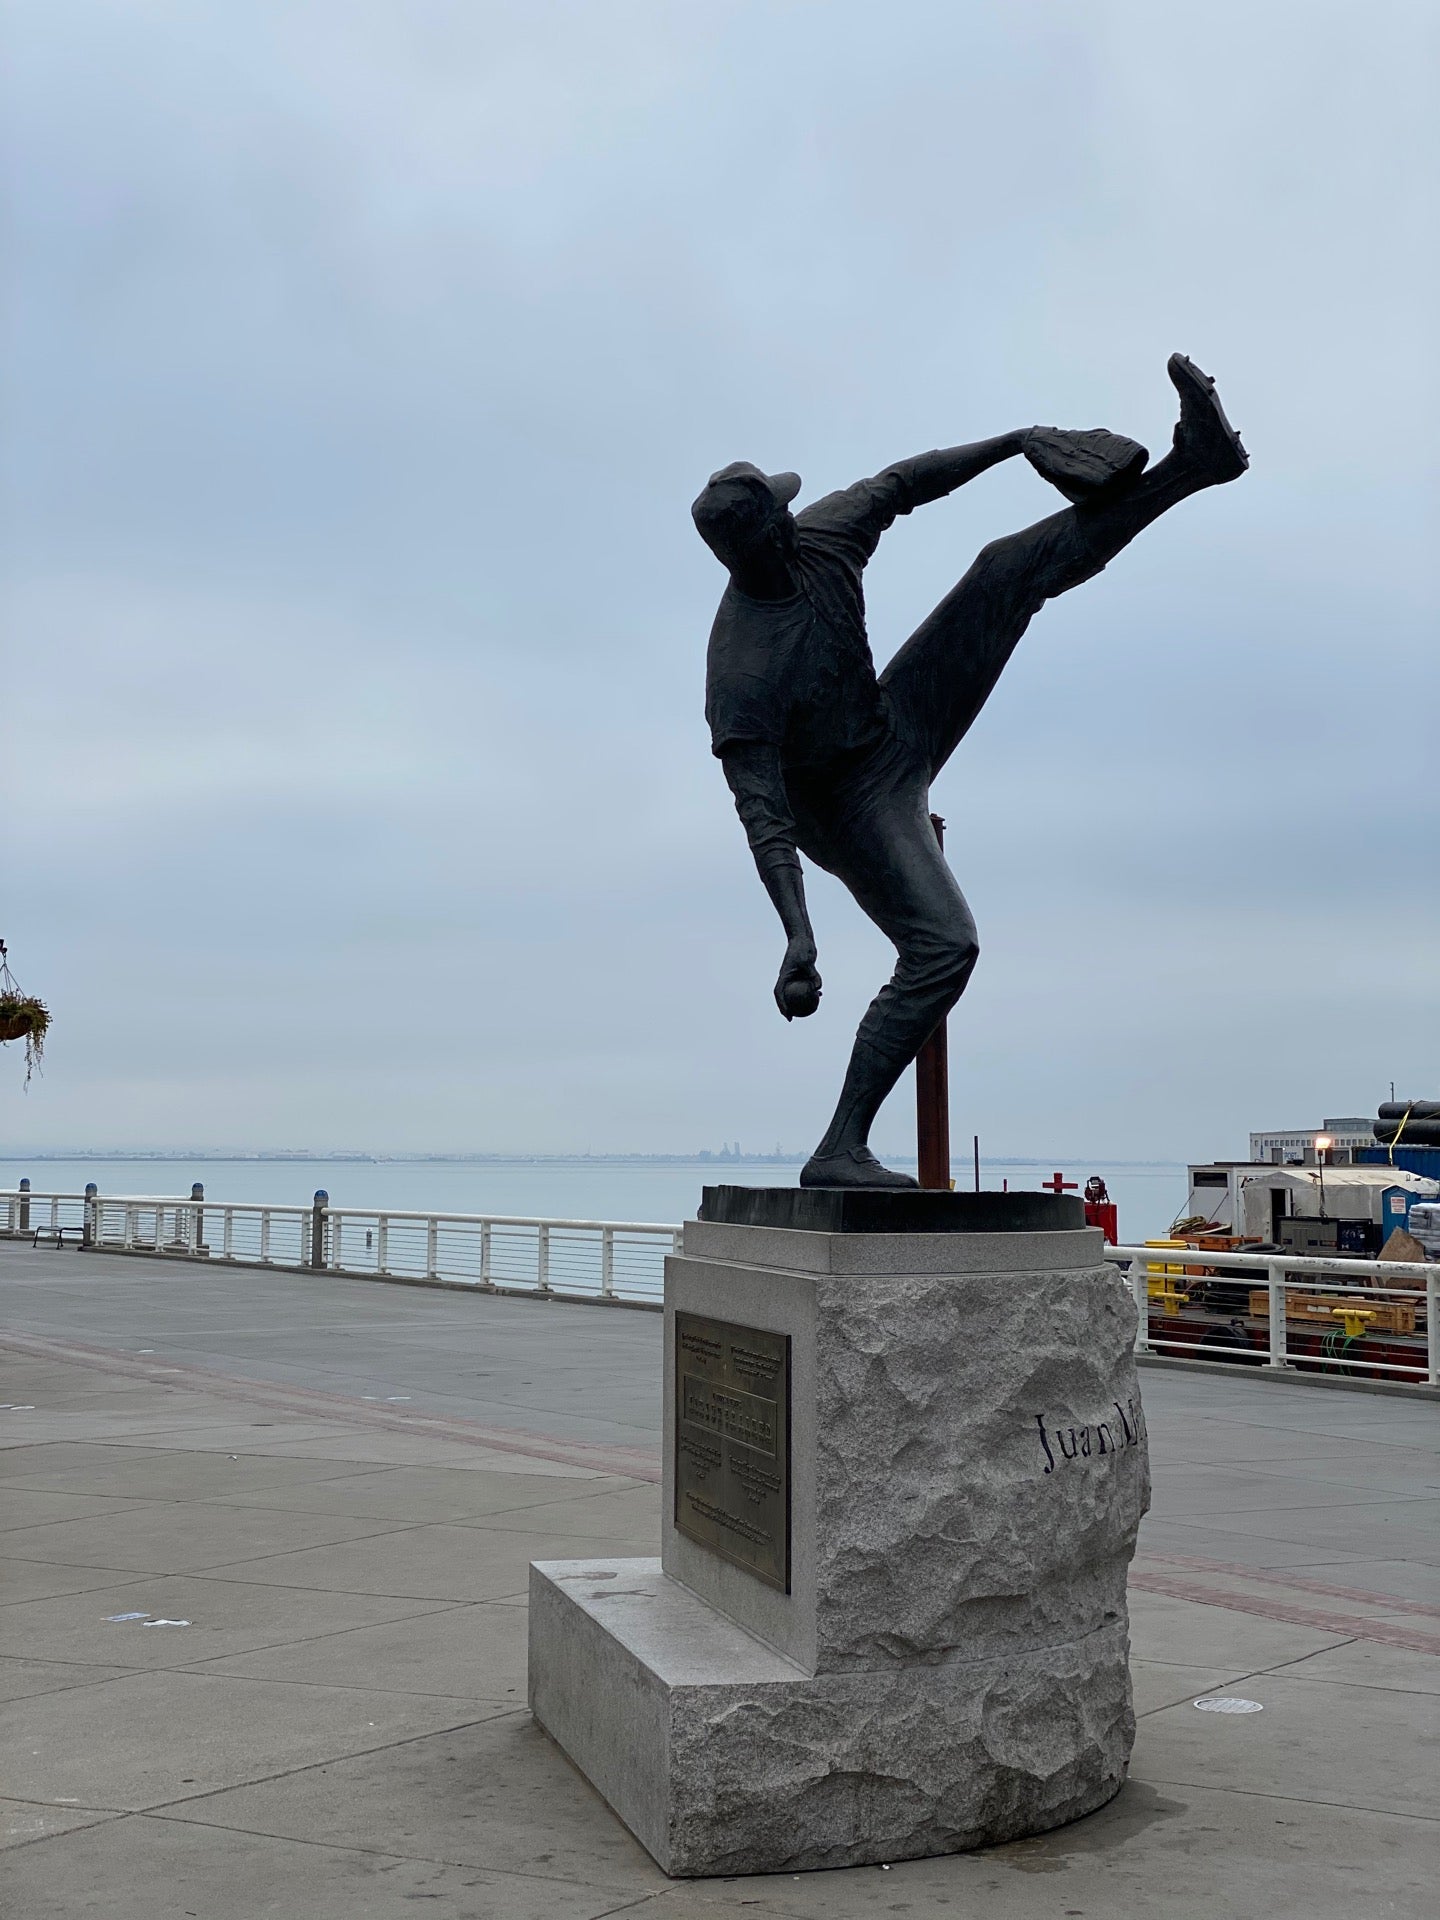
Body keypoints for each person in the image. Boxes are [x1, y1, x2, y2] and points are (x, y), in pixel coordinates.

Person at [693, 354, 1247, 1189]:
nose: (796, 511)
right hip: (841, 805)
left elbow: (905, 482)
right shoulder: (743, 672)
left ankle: (1195, 468)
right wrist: (798, 936)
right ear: (763, 534)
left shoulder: (824, 535)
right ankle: (840, 1147)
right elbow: (763, 816)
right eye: (783, 507)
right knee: (943, 947)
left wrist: (1018, 442)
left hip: (892, 723)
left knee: (1003, 571)